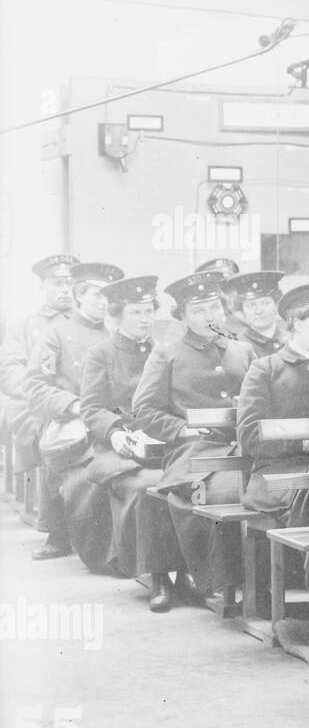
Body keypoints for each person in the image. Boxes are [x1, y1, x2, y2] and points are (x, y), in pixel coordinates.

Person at [133, 271, 255, 604]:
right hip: (191, 452)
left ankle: (258, 581)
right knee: (216, 493)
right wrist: (182, 429)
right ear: (183, 316)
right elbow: (143, 409)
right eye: (198, 310)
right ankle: (219, 582)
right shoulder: (166, 352)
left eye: (214, 307)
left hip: (243, 446)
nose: (209, 317)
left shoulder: (242, 350)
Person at [79, 275, 187, 610]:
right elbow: (92, 408)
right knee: (147, 488)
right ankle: (157, 578)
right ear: (117, 317)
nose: (144, 319)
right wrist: (115, 432)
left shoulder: (163, 351)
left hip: (162, 443)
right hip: (117, 447)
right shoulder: (101, 354)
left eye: (147, 311)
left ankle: (186, 575)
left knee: (184, 482)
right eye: (136, 313)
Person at [236, 283, 309, 606]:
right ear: (297, 324)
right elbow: (250, 435)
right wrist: (303, 442)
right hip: (272, 478)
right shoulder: (265, 369)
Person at [23, 262, 124, 565]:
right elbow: (35, 385)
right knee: (88, 476)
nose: (103, 302)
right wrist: (74, 405)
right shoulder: (57, 334)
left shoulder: (118, 332)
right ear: (79, 296)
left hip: (116, 422)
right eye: (95, 295)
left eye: (107, 297)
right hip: (75, 424)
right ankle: (91, 548)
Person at [1, 255, 78, 549]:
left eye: (70, 283)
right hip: (36, 407)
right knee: (53, 435)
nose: (64, 290)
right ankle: (56, 529)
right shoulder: (23, 328)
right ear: (42, 287)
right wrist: (46, 398)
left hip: (80, 402)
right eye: (57, 283)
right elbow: (10, 372)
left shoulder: (88, 323)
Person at [227, 271, 289, 358]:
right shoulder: (236, 346)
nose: (258, 311)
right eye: (251, 305)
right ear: (242, 311)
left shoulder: (292, 341)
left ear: (276, 306)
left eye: (265, 303)